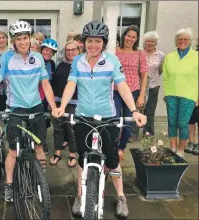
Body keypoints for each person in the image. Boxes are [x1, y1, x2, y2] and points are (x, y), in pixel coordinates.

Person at [52, 20, 147, 218]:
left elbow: (122, 86)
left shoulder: (112, 61)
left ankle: (121, 196)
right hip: (83, 116)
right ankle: (80, 195)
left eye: (97, 41)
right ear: (83, 42)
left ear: (103, 42)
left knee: (112, 160)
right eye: (89, 41)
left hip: (108, 117)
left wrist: (133, 110)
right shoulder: (78, 61)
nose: (93, 45)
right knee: (82, 160)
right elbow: (71, 84)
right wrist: (61, 107)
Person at [0, 20, 56, 203]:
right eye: (19, 39)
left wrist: (54, 107)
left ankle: (41, 182)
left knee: (39, 148)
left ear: (30, 39)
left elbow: (45, 84)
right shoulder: (6, 58)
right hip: (15, 108)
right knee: (14, 151)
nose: (23, 42)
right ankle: (9, 185)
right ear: (13, 41)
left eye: (25, 38)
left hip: (36, 107)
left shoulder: (38, 58)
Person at [114, 25, 148, 161]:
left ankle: (121, 148)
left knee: (128, 121)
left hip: (133, 91)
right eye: (128, 35)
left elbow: (144, 76)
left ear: (136, 39)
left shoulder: (140, 54)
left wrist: (141, 95)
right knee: (115, 120)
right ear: (124, 36)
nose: (130, 39)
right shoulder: (115, 52)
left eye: (133, 37)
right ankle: (113, 147)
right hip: (115, 91)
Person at [163, 27, 198, 158]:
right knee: (172, 122)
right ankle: (172, 147)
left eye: (185, 39)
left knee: (183, 123)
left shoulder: (196, 56)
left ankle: (181, 150)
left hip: (188, 95)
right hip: (171, 94)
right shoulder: (169, 57)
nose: (182, 41)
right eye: (180, 39)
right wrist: (166, 93)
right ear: (176, 40)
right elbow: (166, 77)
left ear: (190, 41)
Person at [50, 40, 80, 167]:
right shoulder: (61, 65)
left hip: (74, 103)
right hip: (58, 102)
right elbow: (55, 84)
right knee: (57, 128)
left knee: (72, 130)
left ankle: (72, 155)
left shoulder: (82, 65)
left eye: (73, 50)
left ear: (78, 50)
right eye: (68, 50)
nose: (70, 52)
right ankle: (57, 153)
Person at [142, 31, 165, 136]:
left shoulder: (160, 55)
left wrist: (153, 78)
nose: (150, 43)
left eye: (152, 41)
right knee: (138, 110)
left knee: (150, 111)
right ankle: (132, 134)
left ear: (156, 42)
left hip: (153, 86)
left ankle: (148, 133)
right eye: (148, 41)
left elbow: (160, 70)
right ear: (145, 42)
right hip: (140, 86)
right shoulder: (140, 53)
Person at [40, 38, 58, 154]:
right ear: (41, 50)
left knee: (45, 121)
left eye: (51, 52)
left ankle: (42, 141)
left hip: (47, 96)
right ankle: (38, 143)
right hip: (36, 95)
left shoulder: (52, 64)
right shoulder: (36, 60)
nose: (48, 53)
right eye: (46, 50)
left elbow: (53, 82)